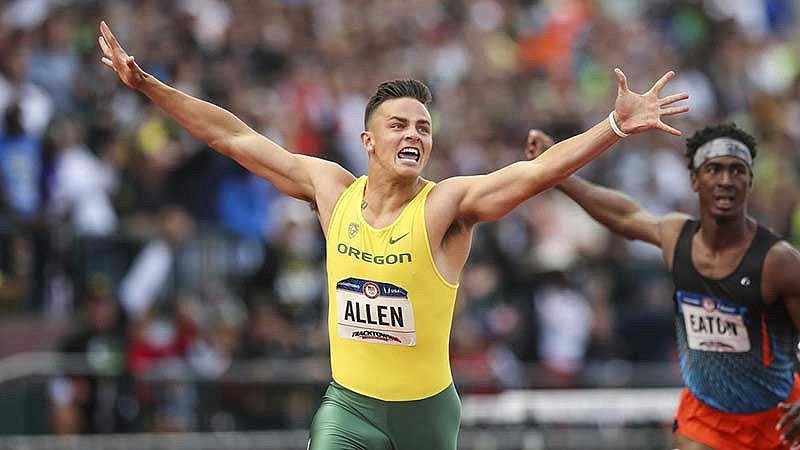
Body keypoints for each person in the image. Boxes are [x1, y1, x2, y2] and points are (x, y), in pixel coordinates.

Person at [98, 20, 688, 449]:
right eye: (398, 124)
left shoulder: (446, 205)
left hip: (426, 418)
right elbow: (232, 137)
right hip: (348, 408)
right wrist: (150, 86)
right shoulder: (330, 189)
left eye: (424, 127)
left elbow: (536, 173)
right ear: (368, 141)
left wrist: (613, 126)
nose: (414, 134)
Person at [525, 125, 800, 450]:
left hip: (775, 420)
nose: (725, 180)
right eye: (714, 169)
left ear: (750, 182)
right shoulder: (677, 238)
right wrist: (557, 174)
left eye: (737, 170)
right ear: (695, 180)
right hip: (704, 417)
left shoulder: (778, 262)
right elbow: (624, 216)